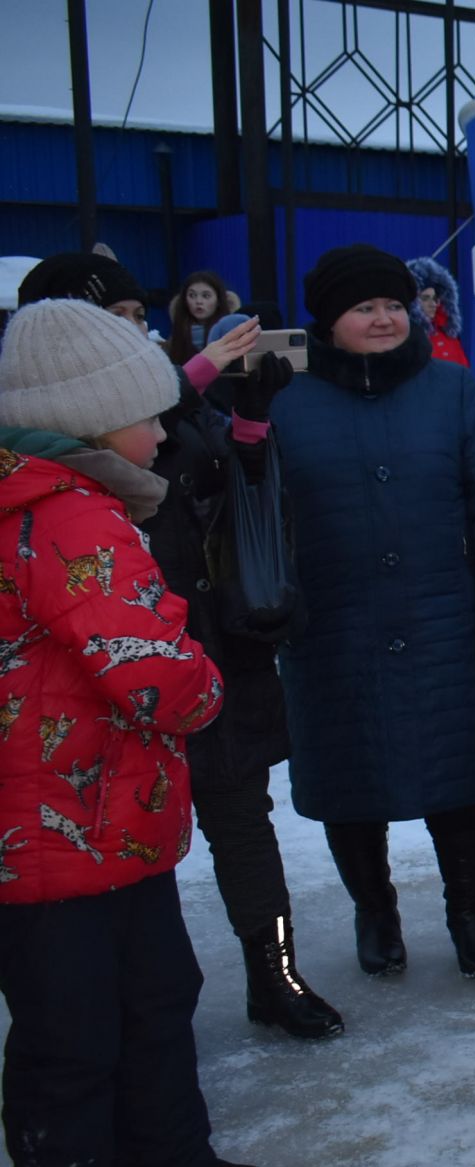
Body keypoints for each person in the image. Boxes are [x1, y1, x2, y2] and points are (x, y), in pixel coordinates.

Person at [0, 299, 278, 1167]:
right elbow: (150, 668)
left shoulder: (54, 494)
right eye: (149, 413)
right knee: (76, 1031)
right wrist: (207, 683)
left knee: (154, 995)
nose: (165, 430)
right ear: (90, 418)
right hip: (58, 822)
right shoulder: (68, 509)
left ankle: (162, 1156)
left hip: (95, 818)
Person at [16, 256, 343, 1042]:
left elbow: (223, 483)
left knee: (240, 815)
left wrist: (251, 420)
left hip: (209, 637)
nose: (136, 330)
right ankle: (126, 1017)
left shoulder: (162, 404)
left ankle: (275, 973)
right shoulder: (49, 446)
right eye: (116, 316)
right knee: (122, 841)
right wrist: (194, 378)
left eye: (136, 313)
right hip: (101, 677)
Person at [267, 244, 475, 981]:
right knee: (350, 783)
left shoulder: (450, 388)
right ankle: (375, 910)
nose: (385, 319)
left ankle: (468, 912)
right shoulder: (285, 399)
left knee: (455, 779)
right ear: (329, 321)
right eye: (365, 307)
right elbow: (258, 512)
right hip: (332, 626)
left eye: (394, 304)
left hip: (440, 621)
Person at [407, 256, 470, 366]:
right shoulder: (406, 338)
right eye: (425, 298)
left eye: (435, 299)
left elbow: (465, 373)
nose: (433, 304)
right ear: (413, 302)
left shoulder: (448, 335)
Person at [166, 269, 236, 366]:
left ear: (219, 300)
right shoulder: (177, 334)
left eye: (206, 296)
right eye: (192, 295)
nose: (198, 301)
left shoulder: (231, 333)